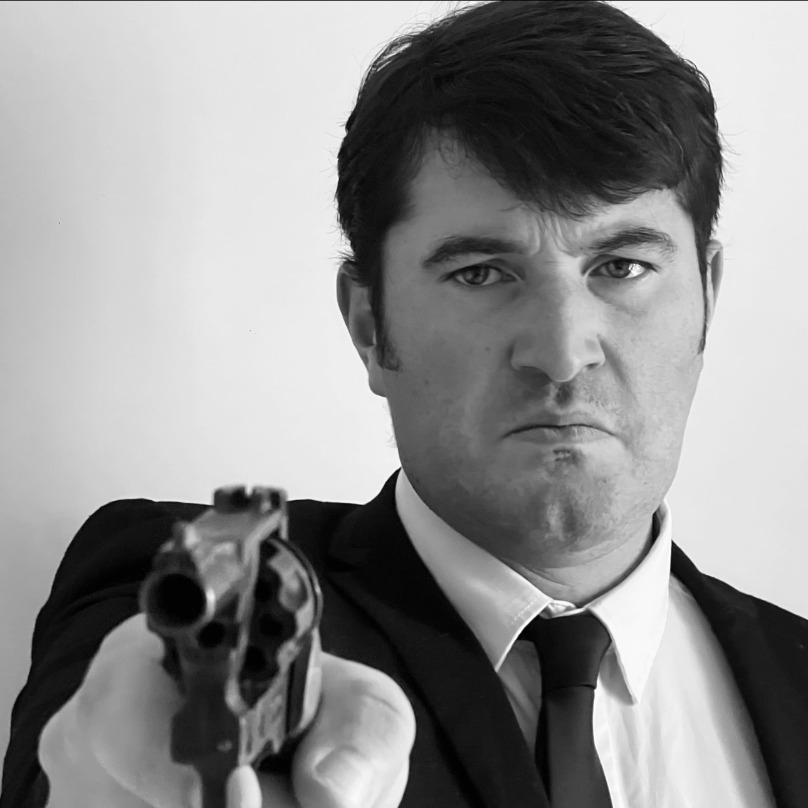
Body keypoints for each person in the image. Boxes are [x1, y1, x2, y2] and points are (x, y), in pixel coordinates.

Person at [4, 1, 808, 806]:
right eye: (480, 274)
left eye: (623, 267)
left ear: (707, 295)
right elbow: (103, 737)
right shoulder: (203, 591)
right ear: (368, 324)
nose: (563, 352)